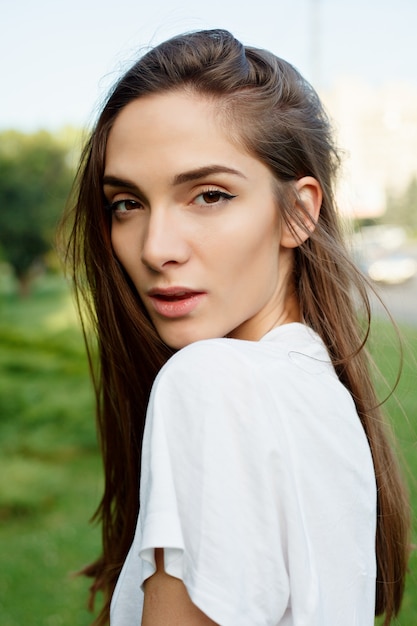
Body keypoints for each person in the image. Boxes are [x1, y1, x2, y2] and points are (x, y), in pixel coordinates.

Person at [62, 29, 410, 626]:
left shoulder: (211, 381)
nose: (156, 248)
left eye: (209, 195)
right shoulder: (318, 389)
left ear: (298, 213)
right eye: (127, 203)